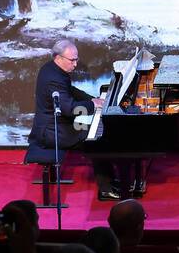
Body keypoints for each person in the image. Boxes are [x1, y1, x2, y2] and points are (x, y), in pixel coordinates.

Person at [32, 38, 118, 200]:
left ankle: (111, 179)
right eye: (72, 60)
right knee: (96, 139)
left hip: (59, 123)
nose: (76, 64)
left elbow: (70, 90)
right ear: (58, 58)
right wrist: (93, 106)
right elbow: (70, 109)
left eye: (76, 59)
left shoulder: (53, 69)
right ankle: (106, 189)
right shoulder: (54, 78)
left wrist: (93, 99)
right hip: (53, 131)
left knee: (96, 133)